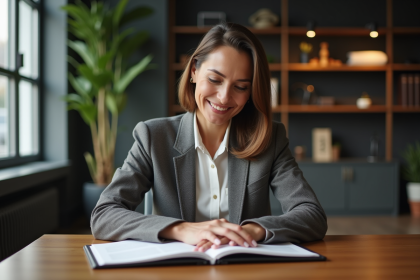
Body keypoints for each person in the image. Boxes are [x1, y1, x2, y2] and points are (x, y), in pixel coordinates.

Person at [91, 22, 327, 252]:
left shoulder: (270, 138)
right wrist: (182, 230)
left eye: (241, 87)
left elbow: (311, 214)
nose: (224, 97)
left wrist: (252, 231)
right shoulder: (153, 137)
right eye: (215, 80)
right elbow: (104, 214)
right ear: (194, 71)